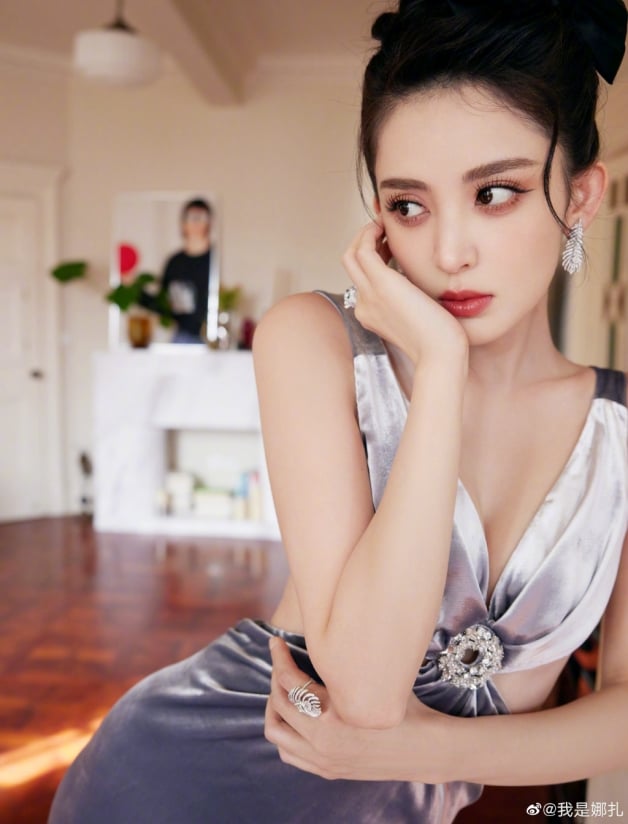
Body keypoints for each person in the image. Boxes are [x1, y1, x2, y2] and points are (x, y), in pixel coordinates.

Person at [49, 1, 628, 822]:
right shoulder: (314, 342)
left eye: (494, 193)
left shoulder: (620, 430)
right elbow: (365, 690)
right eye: (409, 206)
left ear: (581, 195)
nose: (448, 252)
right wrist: (441, 369)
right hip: (187, 782)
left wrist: (423, 752)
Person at [146, 197, 214, 344]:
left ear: (209, 223)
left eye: (201, 218)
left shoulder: (216, 260)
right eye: (192, 218)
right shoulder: (175, 262)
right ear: (183, 223)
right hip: (183, 336)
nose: (196, 223)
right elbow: (163, 304)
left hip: (211, 335)